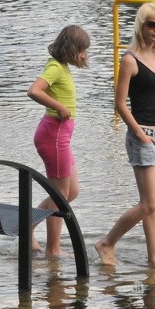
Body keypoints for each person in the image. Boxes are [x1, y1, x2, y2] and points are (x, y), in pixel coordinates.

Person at [95, 2, 155, 268]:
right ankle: (106, 243)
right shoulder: (129, 60)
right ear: (141, 26)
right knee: (148, 203)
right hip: (143, 137)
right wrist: (141, 135)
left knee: (154, 204)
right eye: (152, 25)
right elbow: (120, 104)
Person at [27, 25, 90, 257]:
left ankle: (28, 225)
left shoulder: (62, 68)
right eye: (82, 50)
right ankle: (53, 249)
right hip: (53, 136)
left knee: (71, 191)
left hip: (61, 137)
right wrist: (59, 106)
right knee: (59, 195)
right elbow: (34, 91)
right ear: (71, 49)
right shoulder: (54, 67)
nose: (84, 55)